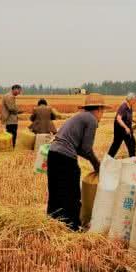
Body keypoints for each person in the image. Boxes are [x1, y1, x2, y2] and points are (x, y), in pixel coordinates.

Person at [47, 93, 109, 231]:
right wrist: (97, 165)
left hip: (53, 154)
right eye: (103, 111)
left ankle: (52, 224)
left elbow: (80, 149)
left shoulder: (80, 116)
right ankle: (73, 227)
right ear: (99, 109)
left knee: (55, 191)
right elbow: (86, 149)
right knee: (72, 193)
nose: (102, 114)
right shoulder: (91, 120)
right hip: (65, 157)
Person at [107, 92, 136, 158]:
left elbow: (128, 117)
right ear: (130, 99)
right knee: (127, 143)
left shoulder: (130, 106)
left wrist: (135, 121)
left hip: (126, 127)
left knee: (129, 143)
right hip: (120, 128)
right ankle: (132, 159)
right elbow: (118, 118)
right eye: (135, 100)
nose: (135, 102)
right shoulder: (123, 106)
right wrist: (125, 128)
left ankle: (109, 158)